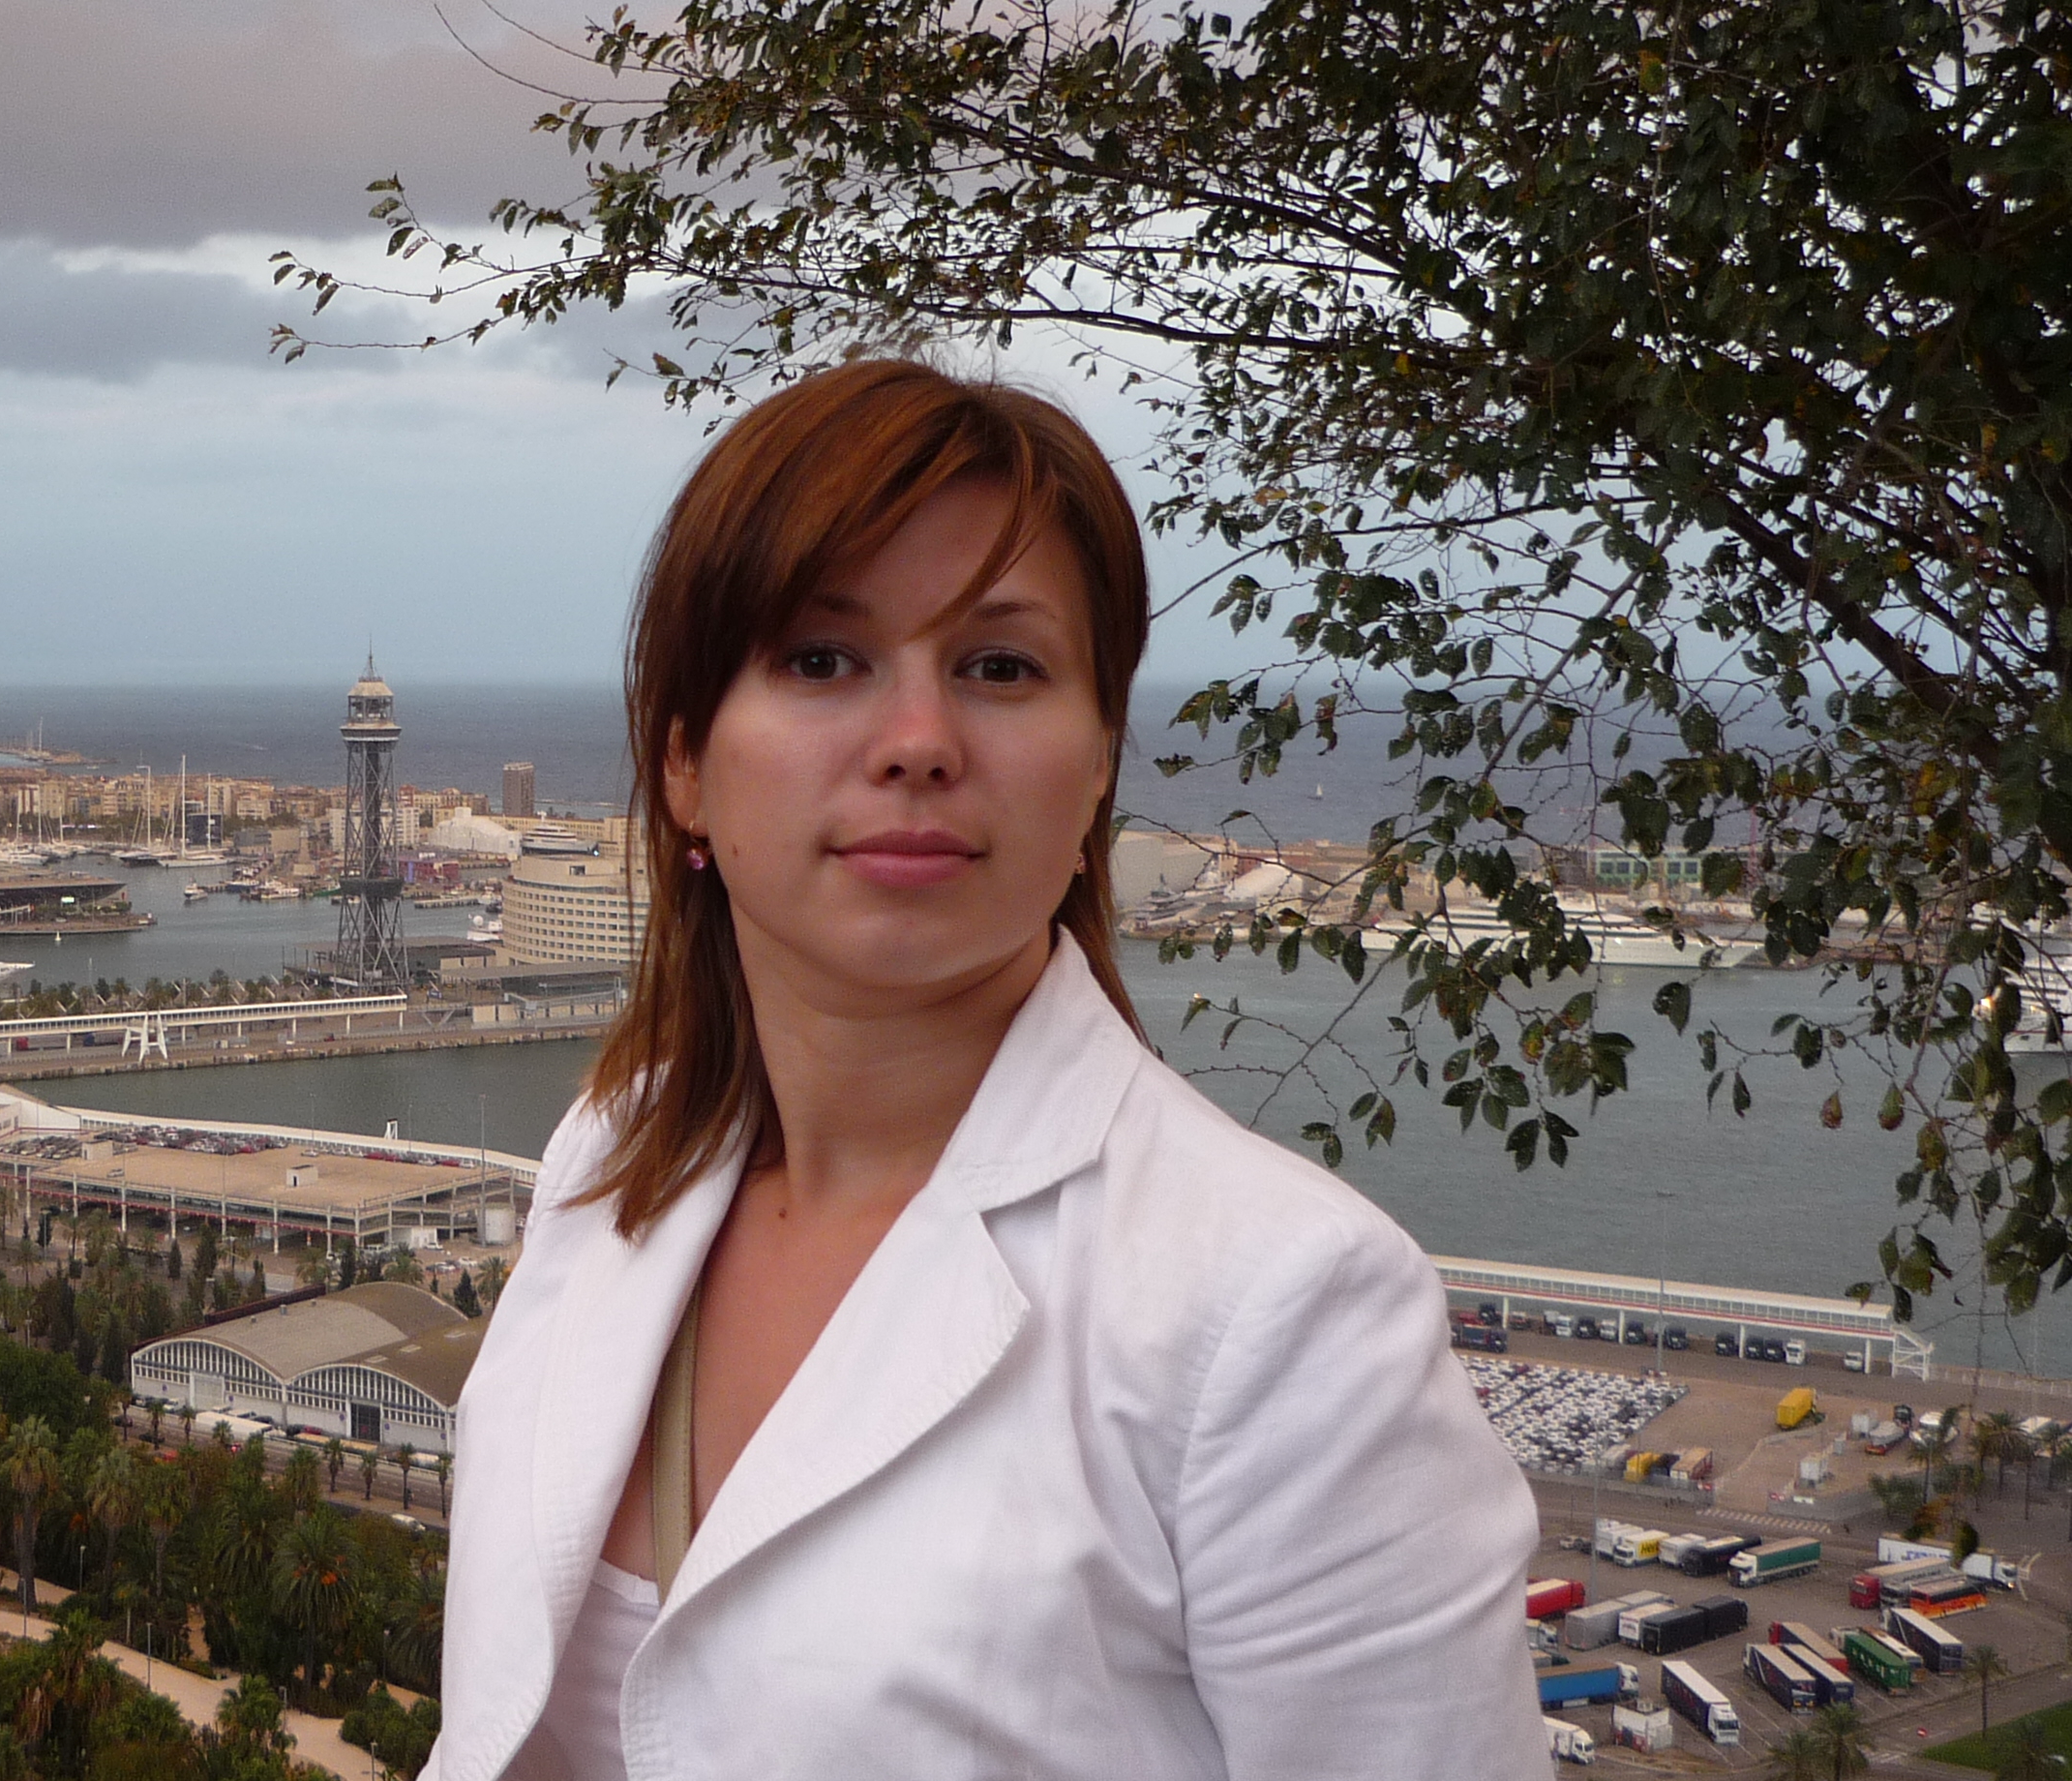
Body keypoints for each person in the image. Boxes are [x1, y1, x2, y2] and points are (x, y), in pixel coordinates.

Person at [426, 362, 1541, 1780]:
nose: (919, 745)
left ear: (1098, 769)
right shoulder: (613, 1155)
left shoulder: (1278, 1310)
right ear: (686, 764)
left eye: (1001, 668)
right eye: (821, 660)